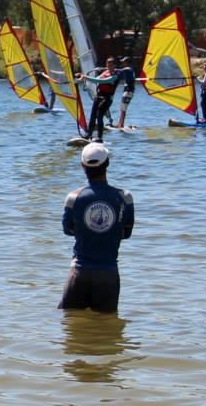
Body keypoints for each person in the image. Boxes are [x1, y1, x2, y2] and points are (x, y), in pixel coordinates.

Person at [59, 143, 134, 313]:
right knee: (107, 328)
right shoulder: (125, 197)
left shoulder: (73, 197)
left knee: (71, 326)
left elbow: (68, 229)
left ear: (82, 166)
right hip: (108, 274)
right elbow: (126, 233)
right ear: (107, 164)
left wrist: (88, 231)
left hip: (79, 272)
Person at [78, 57, 119, 142]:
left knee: (99, 116)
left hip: (107, 99)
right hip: (98, 96)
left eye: (111, 65)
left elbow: (102, 81)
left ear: (115, 65)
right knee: (93, 116)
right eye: (108, 64)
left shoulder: (115, 76)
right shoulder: (105, 72)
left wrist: (86, 77)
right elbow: (97, 79)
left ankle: (99, 137)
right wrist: (80, 79)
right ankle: (89, 135)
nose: (109, 66)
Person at [115, 56, 136, 128]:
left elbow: (120, 70)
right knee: (122, 108)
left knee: (123, 108)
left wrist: (110, 69)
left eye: (123, 62)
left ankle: (121, 124)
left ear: (127, 62)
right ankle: (120, 123)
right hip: (128, 91)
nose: (122, 63)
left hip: (128, 92)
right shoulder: (129, 69)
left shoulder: (128, 69)